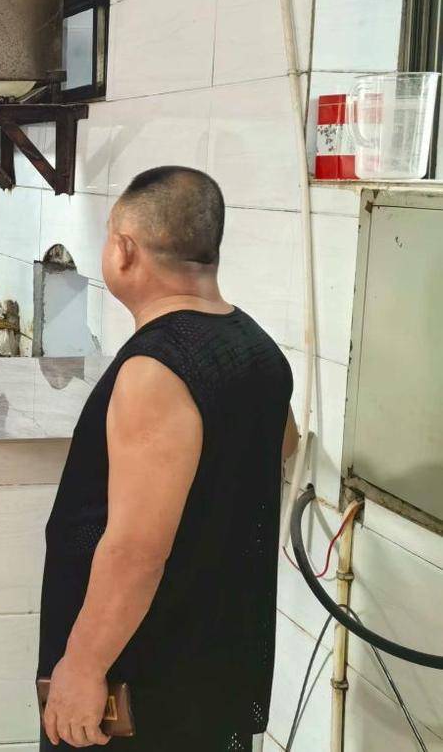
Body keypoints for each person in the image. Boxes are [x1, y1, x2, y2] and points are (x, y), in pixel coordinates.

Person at [37, 167, 297, 751]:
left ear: (124, 250)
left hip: (144, 673)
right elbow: (282, 443)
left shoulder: (156, 368)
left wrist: (82, 666)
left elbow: (135, 551)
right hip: (216, 657)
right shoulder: (256, 347)